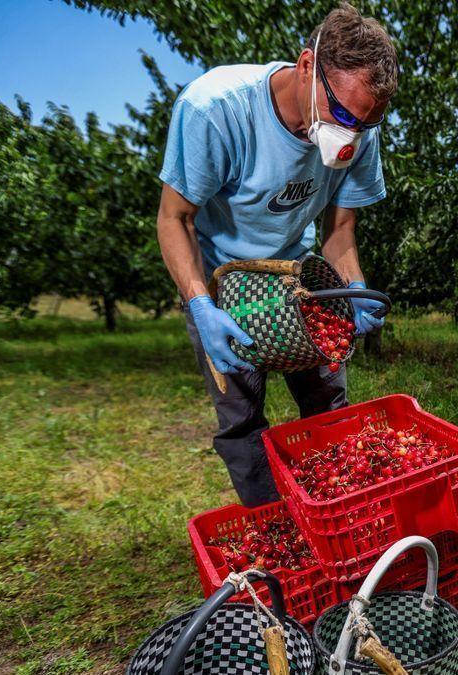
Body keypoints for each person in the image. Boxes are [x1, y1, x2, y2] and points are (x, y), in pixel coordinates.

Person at [155, 2, 397, 506]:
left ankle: (339, 513)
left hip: (302, 279)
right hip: (225, 283)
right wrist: (201, 306)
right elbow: (175, 219)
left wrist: (351, 286)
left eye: (366, 124)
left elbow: (340, 230)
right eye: (343, 115)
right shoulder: (215, 109)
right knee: (242, 421)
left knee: (330, 406)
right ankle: (276, 530)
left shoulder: (361, 128)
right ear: (308, 66)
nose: (350, 134)